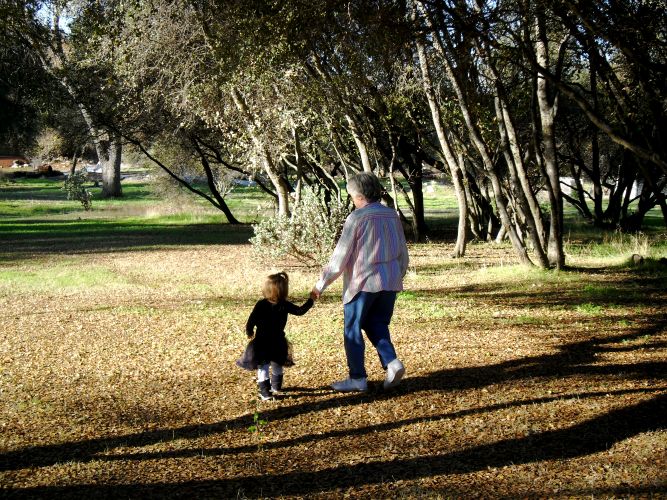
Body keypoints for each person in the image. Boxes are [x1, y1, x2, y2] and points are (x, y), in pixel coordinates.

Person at [311, 172, 409, 392]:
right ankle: (392, 363)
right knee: (377, 323)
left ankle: (357, 378)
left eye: (351, 195)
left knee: (352, 328)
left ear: (359, 195)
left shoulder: (357, 218)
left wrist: (321, 284)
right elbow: (402, 250)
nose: (352, 199)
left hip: (363, 282)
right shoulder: (391, 215)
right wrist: (397, 274)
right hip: (390, 280)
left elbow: (340, 257)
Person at [237, 272, 315, 400]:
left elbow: (252, 319)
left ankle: (265, 392)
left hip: (262, 342)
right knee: (277, 364)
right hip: (277, 341)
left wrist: (249, 330)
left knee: (263, 367)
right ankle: (276, 386)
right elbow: (300, 311)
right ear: (283, 291)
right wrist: (311, 300)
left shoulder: (261, 304)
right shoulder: (284, 304)